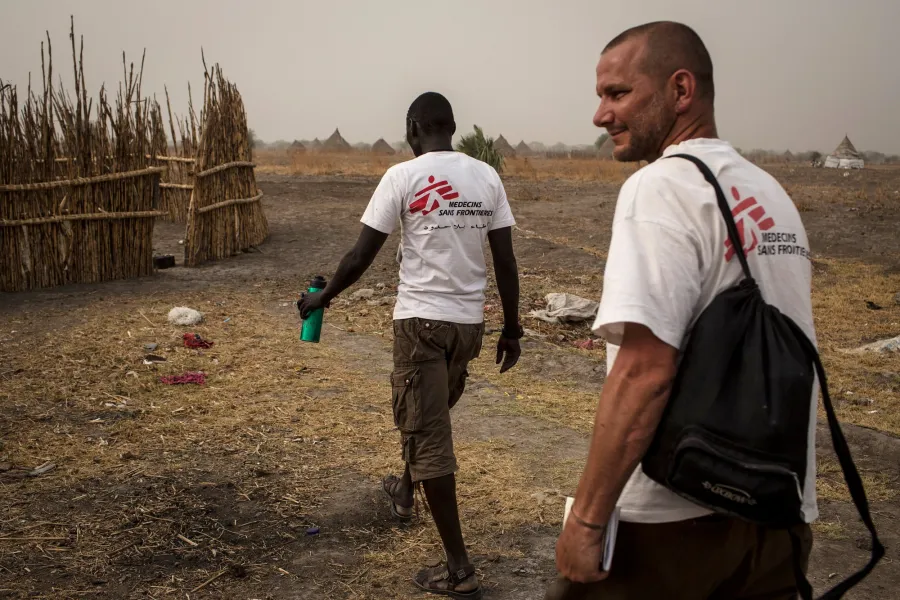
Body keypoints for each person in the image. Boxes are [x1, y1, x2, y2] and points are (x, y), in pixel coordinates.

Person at [548, 21, 817, 599]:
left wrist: (589, 519)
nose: (601, 115)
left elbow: (644, 369)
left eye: (617, 94)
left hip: (671, 515)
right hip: (774, 507)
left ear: (681, 89)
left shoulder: (660, 188)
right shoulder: (770, 192)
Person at [299, 91, 522, 599]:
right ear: (452, 127)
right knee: (428, 415)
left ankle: (459, 569)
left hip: (421, 323)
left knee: (426, 432)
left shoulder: (402, 176)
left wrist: (323, 299)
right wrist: (511, 328)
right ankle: (403, 491)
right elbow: (505, 261)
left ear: (413, 128)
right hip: (468, 327)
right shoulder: (486, 176)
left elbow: (360, 256)